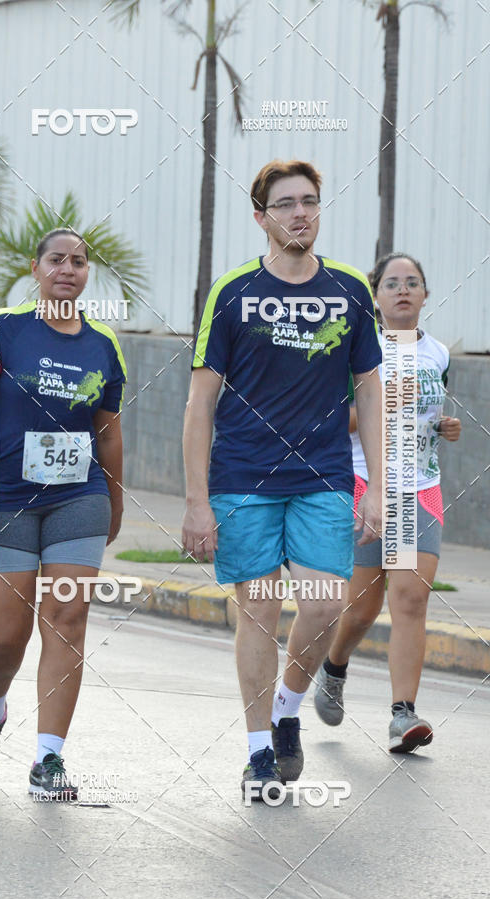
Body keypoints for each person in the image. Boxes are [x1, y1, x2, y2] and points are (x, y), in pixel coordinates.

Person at [182, 159, 383, 799]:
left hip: (322, 474)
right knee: (260, 611)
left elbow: (371, 391)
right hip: (242, 478)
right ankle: (258, 751)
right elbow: (199, 403)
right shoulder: (234, 292)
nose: (300, 213)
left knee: (326, 603)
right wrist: (195, 501)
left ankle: (287, 707)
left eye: (310, 201)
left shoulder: (350, 289)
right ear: (261, 216)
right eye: (286, 203)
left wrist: (377, 482)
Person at [0, 229, 126, 799]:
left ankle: (48, 760)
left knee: (67, 622)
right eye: (57, 259)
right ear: (37, 268)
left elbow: (108, 434)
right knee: (6, 635)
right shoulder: (3, 327)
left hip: (79, 497)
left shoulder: (103, 345)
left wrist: (115, 501)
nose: (68, 269)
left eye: (79, 262)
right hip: (2, 499)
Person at [314, 253, 461, 753]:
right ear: (375, 297)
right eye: (392, 283)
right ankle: (334, 668)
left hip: (420, 489)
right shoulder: (360, 348)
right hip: (365, 486)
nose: (403, 290)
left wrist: (445, 427)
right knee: (359, 608)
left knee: (410, 600)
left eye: (412, 283)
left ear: (424, 294)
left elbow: (433, 415)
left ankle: (403, 714)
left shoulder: (439, 354)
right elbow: (339, 422)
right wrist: (372, 408)